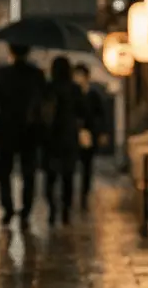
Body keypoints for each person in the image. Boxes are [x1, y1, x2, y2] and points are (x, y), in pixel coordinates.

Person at [0, 45, 45, 228]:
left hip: (6, 128)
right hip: (29, 130)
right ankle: (25, 210)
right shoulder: (36, 75)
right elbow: (42, 103)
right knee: (29, 173)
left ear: (11, 52)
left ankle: (8, 208)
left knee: (4, 172)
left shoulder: (2, 74)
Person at [42, 55, 83, 226]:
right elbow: (82, 111)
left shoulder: (48, 88)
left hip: (50, 137)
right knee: (68, 177)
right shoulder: (75, 89)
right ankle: (65, 211)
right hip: (69, 137)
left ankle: (52, 209)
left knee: (50, 177)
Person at [73, 63, 106, 210]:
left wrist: (102, 133)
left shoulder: (93, 95)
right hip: (74, 133)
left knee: (87, 165)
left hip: (89, 133)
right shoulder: (72, 93)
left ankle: (84, 193)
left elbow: (100, 114)